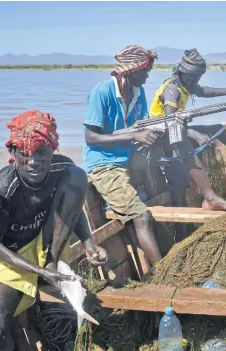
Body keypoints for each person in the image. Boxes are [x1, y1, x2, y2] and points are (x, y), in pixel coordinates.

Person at [0, 110, 107, 351]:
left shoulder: (62, 170)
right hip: (8, 258)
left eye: (42, 153)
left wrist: (89, 243)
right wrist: (37, 271)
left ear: (53, 150)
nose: (34, 162)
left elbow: (73, 209)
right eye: (24, 154)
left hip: (47, 246)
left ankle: (52, 264)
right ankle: (45, 274)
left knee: (78, 176)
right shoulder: (2, 189)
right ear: (13, 153)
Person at [83, 45, 166, 266]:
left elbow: (142, 124)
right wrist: (135, 136)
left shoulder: (139, 92)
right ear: (131, 70)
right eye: (145, 70)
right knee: (142, 216)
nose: (148, 75)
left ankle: (134, 195)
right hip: (104, 164)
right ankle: (162, 271)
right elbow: (91, 138)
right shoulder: (102, 93)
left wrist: (158, 130)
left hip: (129, 157)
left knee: (168, 156)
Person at [149, 48, 226, 212]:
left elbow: (204, 91)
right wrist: (187, 125)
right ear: (184, 73)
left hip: (176, 130)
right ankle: (210, 198)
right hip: (160, 137)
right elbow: (169, 117)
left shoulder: (186, 84)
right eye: (195, 77)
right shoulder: (172, 90)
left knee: (217, 128)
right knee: (187, 152)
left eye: (199, 77)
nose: (197, 80)